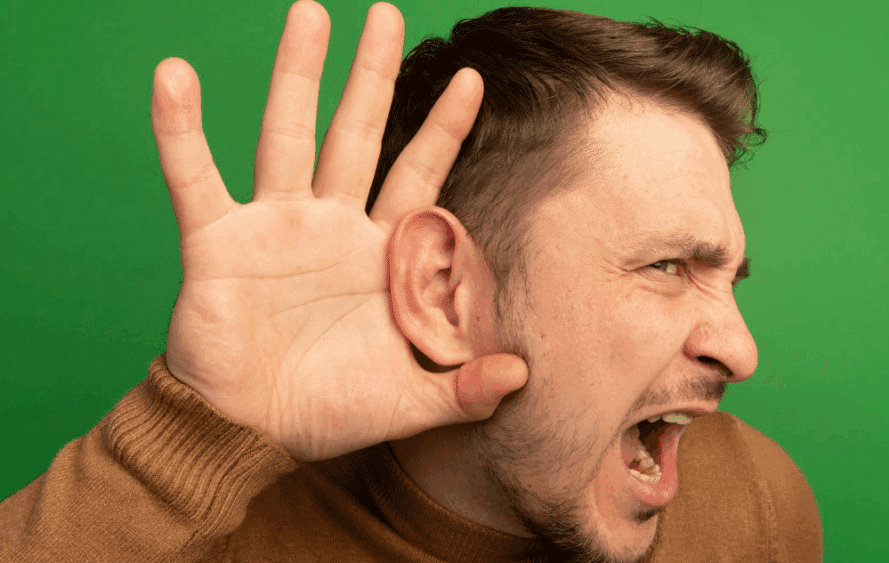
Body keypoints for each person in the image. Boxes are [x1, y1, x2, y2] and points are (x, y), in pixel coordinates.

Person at [0, 1, 822, 561]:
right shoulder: (203, 538)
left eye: (729, 277)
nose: (741, 349)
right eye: (668, 266)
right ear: (442, 290)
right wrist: (184, 444)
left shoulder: (752, 502)